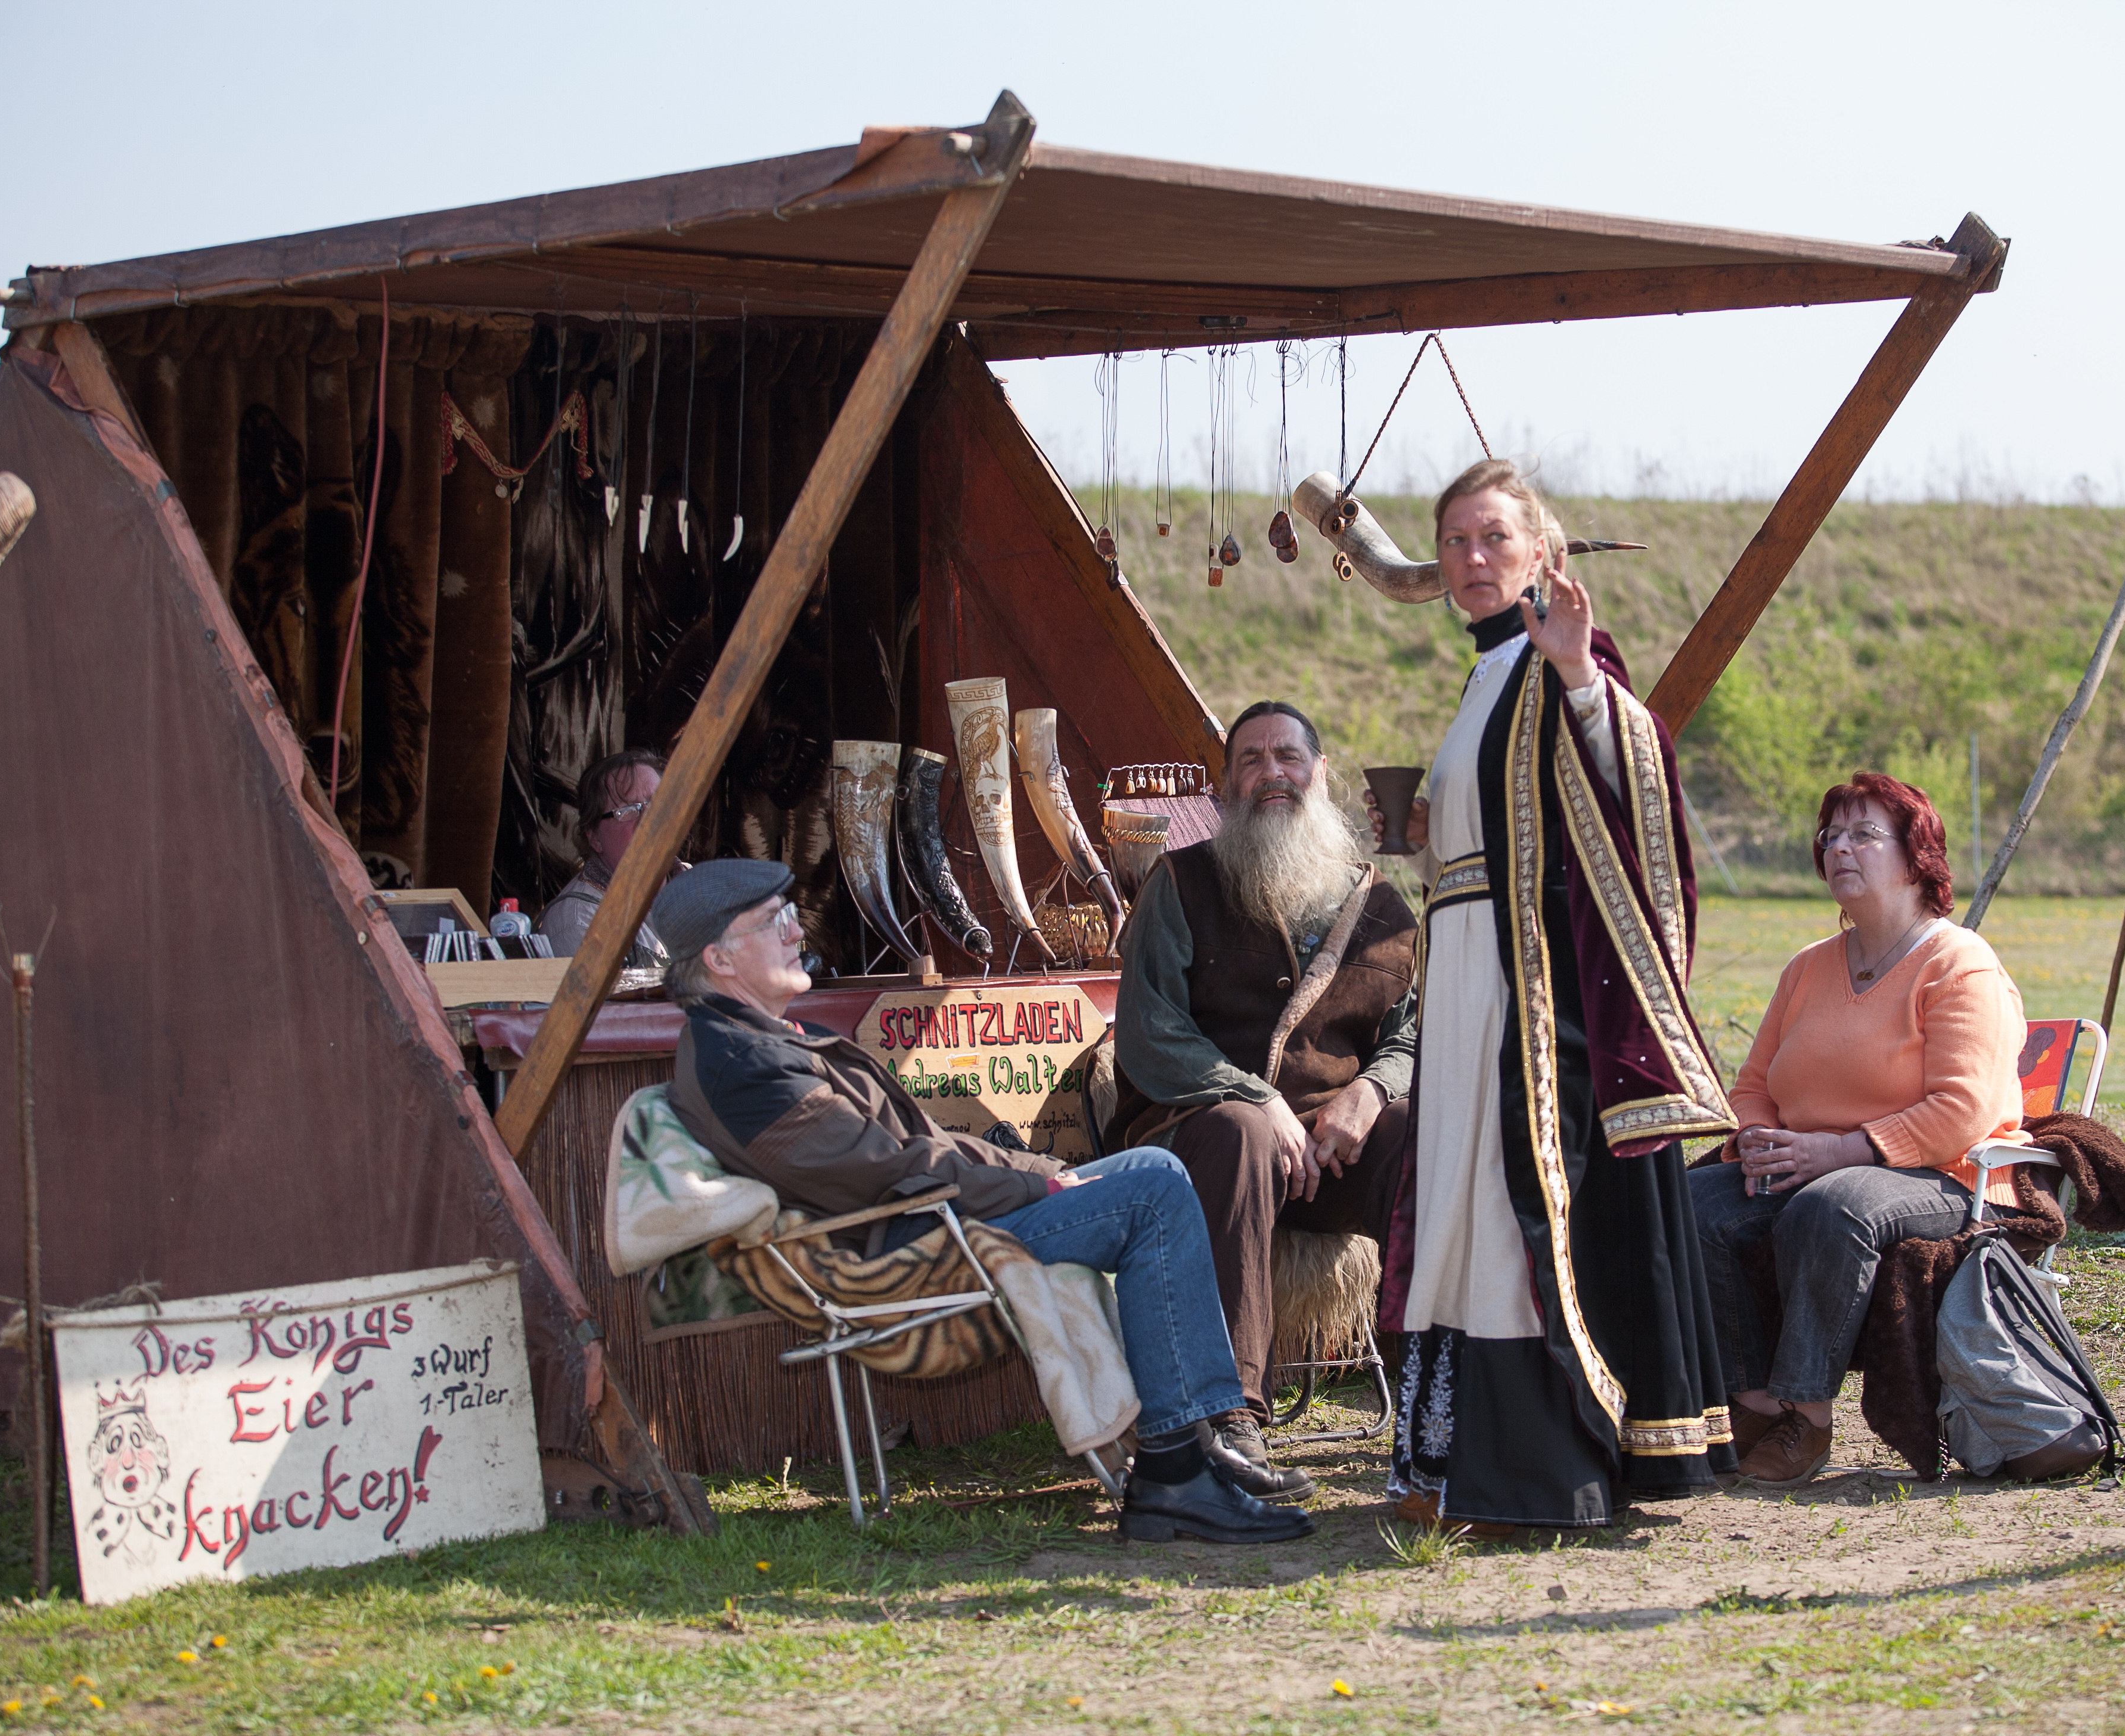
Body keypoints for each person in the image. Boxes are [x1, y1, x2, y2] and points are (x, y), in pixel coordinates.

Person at [649, 858, 1311, 1546]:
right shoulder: (743, 1063)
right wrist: (1037, 1185)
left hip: (930, 1218)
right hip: (909, 1250)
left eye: (791, 914)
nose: (796, 931)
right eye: (774, 921)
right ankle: (1176, 1472)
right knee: (1153, 1194)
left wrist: (1044, 1168)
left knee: (1152, 1165)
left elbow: (924, 1146)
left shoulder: (766, 1041)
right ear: (720, 958)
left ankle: (1196, 1442)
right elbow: (884, 1169)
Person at [1367, 460, 1741, 1532]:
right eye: (1455, 541)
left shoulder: (1561, 654)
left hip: (1532, 994)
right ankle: (1444, 1463)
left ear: (1541, 551)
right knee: (1457, 1201)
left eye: (1494, 537)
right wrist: (1427, 836)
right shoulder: (1483, 674)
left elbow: (1636, 780)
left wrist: (1580, 672)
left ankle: (1533, 1473)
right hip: (1463, 977)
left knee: (1507, 1206)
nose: (1473, 558)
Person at [1687, 771, 2064, 1491]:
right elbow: (1754, 1084)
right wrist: (1758, 1136)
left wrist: (1836, 1150)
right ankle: (1753, 1403)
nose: (1839, 848)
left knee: (1832, 1206)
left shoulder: (1960, 964)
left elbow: (1961, 1110)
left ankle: (1808, 1415)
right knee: (1691, 1203)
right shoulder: (1808, 967)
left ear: (1918, 857)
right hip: (1809, 1160)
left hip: (1943, 1173)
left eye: (1864, 834)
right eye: (1831, 835)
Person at [1107, 699, 1417, 1501]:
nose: (1271, 772)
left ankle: (1434, 1400)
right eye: (1251, 759)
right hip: (1197, 1140)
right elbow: (1148, 1030)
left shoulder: (1383, 907)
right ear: (1226, 785)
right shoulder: (1180, 883)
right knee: (1243, 1131)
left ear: (1321, 774)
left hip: (1330, 1152)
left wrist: (1371, 1093)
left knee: (1421, 1135)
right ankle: (1228, 1419)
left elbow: (1414, 1033)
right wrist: (1255, 1097)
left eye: (1288, 757)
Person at [538, 749, 675, 966]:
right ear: (594, 837)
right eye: (628, 810)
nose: (648, 820)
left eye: (658, 804)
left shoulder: (697, 887)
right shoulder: (581, 925)